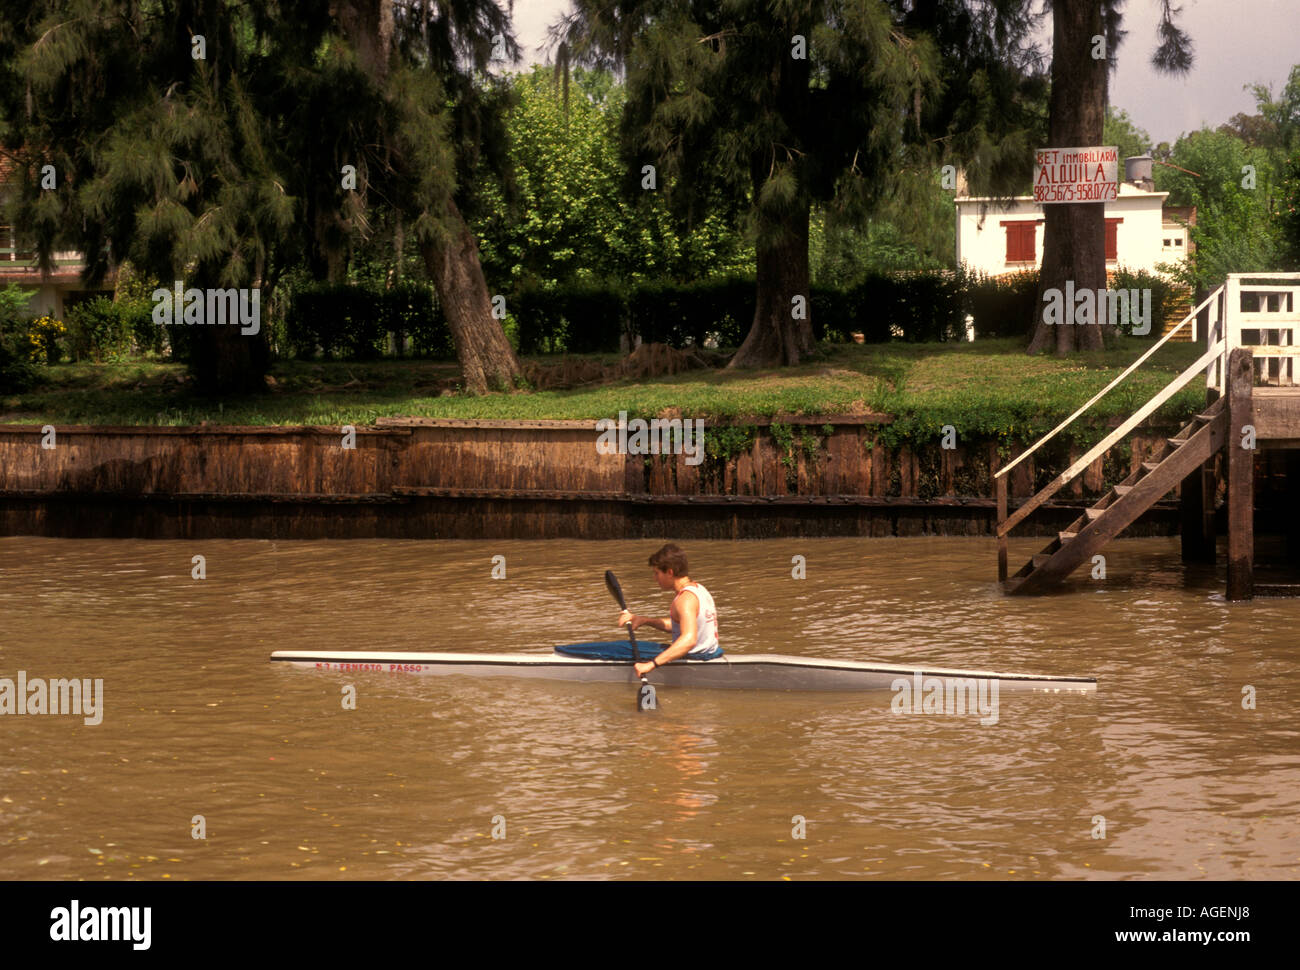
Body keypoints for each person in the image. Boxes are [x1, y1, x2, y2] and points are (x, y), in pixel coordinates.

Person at [617, 543, 721, 677]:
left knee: (621, 648)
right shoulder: (699, 589)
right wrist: (645, 620)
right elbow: (679, 625)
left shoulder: (685, 600)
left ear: (670, 572)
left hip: (695, 656)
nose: (655, 578)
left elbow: (689, 640)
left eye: (657, 573)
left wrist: (652, 664)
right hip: (709, 651)